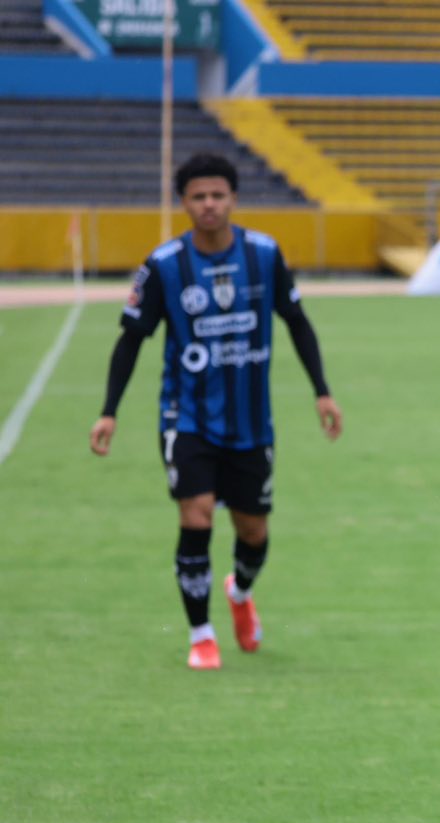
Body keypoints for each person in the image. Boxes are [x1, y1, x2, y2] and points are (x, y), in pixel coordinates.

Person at [89, 152, 342, 671]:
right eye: (198, 196)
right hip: (186, 417)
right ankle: (201, 634)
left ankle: (240, 592)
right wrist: (109, 411)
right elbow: (131, 339)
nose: (209, 205)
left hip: (251, 422)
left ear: (233, 199)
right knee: (196, 513)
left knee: (253, 532)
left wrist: (322, 390)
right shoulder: (164, 266)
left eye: (217, 195)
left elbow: (297, 321)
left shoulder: (264, 255)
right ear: (183, 203)